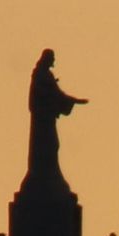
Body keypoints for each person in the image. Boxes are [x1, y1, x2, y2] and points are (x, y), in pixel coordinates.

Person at [24, 49, 89, 188]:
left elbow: (57, 94)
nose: (54, 61)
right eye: (52, 58)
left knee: (52, 145)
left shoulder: (45, 75)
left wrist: (73, 100)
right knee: (49, 144)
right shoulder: (41, 75)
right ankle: (43, 175)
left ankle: (49, 173)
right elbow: (50, 95)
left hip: (47, 119)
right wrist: (72, 100)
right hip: (42, 121)